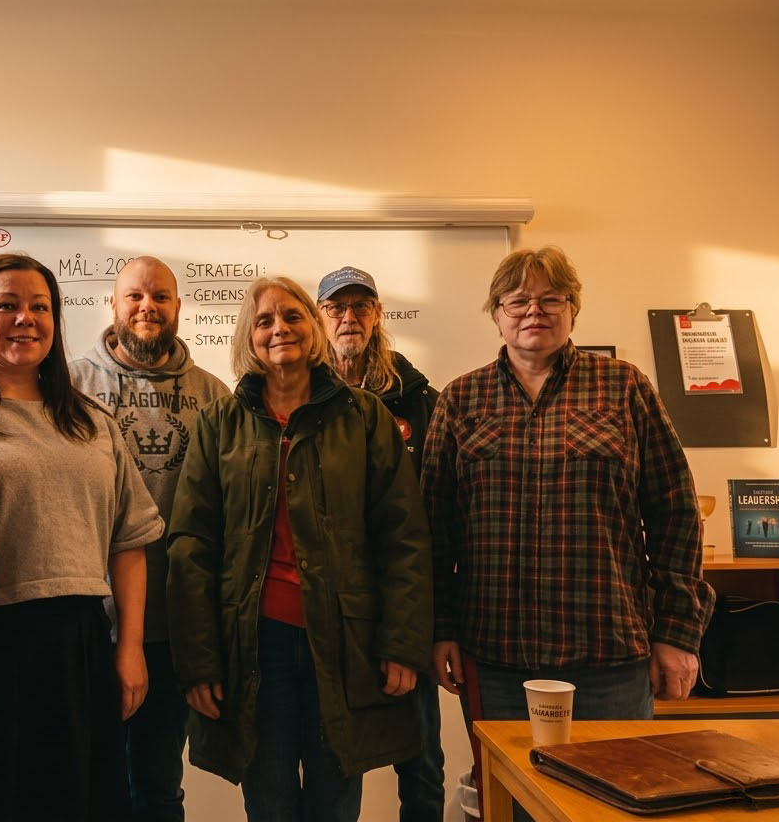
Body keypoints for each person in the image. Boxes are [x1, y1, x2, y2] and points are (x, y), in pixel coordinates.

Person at [422, 246, 714, 815]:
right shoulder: (461, 399)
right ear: (497, 313)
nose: (535, 310)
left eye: (551, 298)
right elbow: (434, 530)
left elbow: (676, 510)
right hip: (498, 656)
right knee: (511, 805)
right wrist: (441, 628)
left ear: (573, 310)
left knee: (617, 804)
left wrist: (678, 633)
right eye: (518, 300)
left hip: (608, 658)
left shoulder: (624, 388)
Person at [167, 276, 432, 822]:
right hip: (253, 646)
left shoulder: (365, 417)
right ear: (248, 336)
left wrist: (403, 644)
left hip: (344, 642)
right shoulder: (220, 422)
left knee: (336, 803)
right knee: (269, 801)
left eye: (292, 316)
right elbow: (191, 544)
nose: (279, 329)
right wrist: (197, 661)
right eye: (264, 320)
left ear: (313, 329)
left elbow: (402, 537)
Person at [0, 253, 163, 822]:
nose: (24, 318)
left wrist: (129, 649)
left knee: (74, 800)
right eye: (6, 305)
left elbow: (128, 543)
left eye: (39, 306)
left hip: (79, 644)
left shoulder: (91, 422)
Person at [70, 256, 230, 822]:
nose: (147, 307)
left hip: (171, 625)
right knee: (85, 782)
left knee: (159, 782)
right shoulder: (69, 386)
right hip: (86, 621)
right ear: (112, 305)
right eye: (134, 296)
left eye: (160, 297)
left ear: (178, 308)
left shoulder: (214, 396)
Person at [315, 266, 444, 822]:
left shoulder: (419, 400)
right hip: (333, 606)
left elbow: (437, 508)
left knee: (421, 762)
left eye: (360, 306)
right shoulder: (301, 394)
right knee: (337, 765)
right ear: (319, 317)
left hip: (404, 602)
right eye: (336, 307)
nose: (349, 317)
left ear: (377, 315)